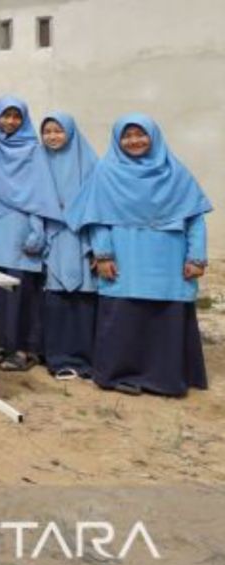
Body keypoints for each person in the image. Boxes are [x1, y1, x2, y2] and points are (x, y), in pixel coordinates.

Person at [66, 113, 211, 397]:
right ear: (117, 140)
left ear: (154, 136)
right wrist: (104, 255)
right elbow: (97, 218)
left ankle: (164, 378)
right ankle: (118, 375)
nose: (134, 141)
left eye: (140, 134)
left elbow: (195, 219)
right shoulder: (106, 173)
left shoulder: (176, 173)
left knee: (165, 317)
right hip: (125, 258)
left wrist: (196, 257)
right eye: (127, 136)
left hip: (168, 260)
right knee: (123, 316)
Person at [0, 96, 64, 372]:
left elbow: (41, 193)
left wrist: (38, 230)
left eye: (16, 117)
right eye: (6, 115)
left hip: (22, 230)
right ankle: (1, 344)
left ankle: (25, 349)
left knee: (22, 289)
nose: (10, 121)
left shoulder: (34, 151)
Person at [39, 112, 99, 380]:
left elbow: (99, 203)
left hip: (80, 236)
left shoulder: (90, 163)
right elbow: (31, 195)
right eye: (47, 131)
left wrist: (99, 245)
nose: (52, 136)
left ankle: (83, 357)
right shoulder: (37, 161)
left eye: (58, 131)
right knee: (54, 297)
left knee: (82, 299)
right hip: (50, 235)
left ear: (71, 132)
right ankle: (56, 356)